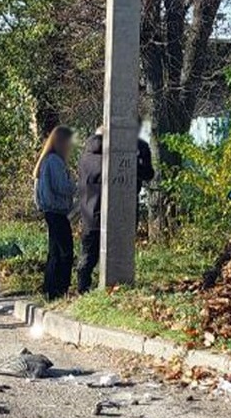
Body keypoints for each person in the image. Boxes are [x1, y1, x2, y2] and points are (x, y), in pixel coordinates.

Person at [76, 128, 155, 294]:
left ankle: (83, 290)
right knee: (111, 256)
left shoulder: (86, 157)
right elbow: (146, 173)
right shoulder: (109, 160)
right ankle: (102, 288)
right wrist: (141, 155)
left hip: (90, 211)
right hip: (114, 213)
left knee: (89, 255)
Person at [34, 126, 77, 301]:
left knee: (54, 252)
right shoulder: (55, 162)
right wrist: (75, 183)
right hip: (57, 211)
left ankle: (50, 289)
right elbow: (62, 187)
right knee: (65, 252)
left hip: (49, 210)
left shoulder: (45, 161)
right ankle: (59, 289)